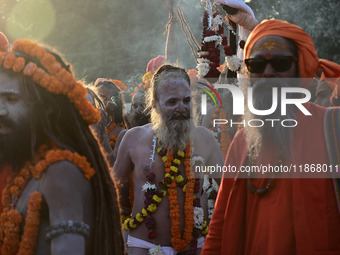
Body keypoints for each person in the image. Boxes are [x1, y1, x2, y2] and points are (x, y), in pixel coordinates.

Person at [202, 19, 340, 255]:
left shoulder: (333, 127)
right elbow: (219, 227)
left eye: (280, 62)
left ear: (300, 70)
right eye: (256, 65)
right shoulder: (242, 142)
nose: (267, 73)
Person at [0, 39, 125, 254]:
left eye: (12, 99)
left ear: (46, 109)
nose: (1, 111)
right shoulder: (31, 165)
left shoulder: (61, 171)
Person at [113, 64, 224, 254]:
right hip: (143, 245)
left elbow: (228, 191)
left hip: (194, 246)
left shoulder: (206, 139)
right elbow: (111, 190)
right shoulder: (133, 138)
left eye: (186, 100)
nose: (181, 108)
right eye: (172, 102)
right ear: (154, 104)